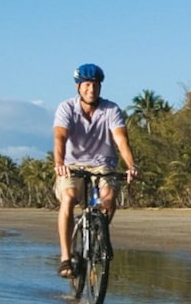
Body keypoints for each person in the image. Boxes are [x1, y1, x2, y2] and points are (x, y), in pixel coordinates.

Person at [54, 63, 139, 277]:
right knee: (68, 198)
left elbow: (121, 140)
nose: (91, 89)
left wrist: (131, 165)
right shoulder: (66, 108)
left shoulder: (111, 110)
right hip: (72, 165)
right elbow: (60, 137)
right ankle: (65, 257)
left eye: (95, 85)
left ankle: (99, 236)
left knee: (108, 199)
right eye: (87, 85)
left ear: (100, 87)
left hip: (103, 165)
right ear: (79, 87)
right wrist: (59, 163)